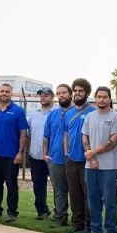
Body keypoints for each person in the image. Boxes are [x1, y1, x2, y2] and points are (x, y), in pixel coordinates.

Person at [81, 86, 117, 233]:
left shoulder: (116, 117)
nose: (101, 100)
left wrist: (93, 153)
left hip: (109, 167)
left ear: (109, 99)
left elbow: (112, 142)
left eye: (105, 97)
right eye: (99, 97)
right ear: (95, 98)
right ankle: (95, 231)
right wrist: (90, 157)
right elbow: (85, 138)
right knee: (93, 200)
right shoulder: (89, 117)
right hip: (90, 166)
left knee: (110, 201)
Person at [0, 83, 31, 222]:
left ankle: (12, 212)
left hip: (11, 155)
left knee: (11, 185)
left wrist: (20, 153)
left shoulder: (17, 111)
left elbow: (23, 134)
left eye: (7, 92)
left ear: (11, 94)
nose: (4, 93)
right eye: (1, 91)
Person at [62, 79, 95, 233]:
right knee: (74, 194)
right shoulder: (68, 113)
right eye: (75, 90)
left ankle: (90, 226)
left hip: (87, 161)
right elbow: (66, 135)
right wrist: (67, 153)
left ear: (86, 93)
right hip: (71, 160)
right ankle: (77, 224)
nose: (77, 93)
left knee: (88, 195)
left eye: (80, 91)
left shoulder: (92, 112)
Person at [45, 83, 73, 225]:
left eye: (64, 92)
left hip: (73, 160)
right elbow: (46, 136)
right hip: (55, 159)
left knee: (76, 192)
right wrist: (45, 154)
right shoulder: (53, 114)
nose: (61, 95)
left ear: (70, 94)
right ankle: (60, 216)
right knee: (59, 190)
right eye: (59, 93)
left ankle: (79, 219)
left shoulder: (77, 112)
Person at [26, 87, 55, 220]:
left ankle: (59, 212)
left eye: (46, 95)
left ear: (52, 97)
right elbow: (28, 136)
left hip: (53, 157)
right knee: (38, 184)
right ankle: (42, 210)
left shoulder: (57, 113)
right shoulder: (33, 114)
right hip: (36, 156)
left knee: (58, 186)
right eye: (41, 95)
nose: (43, 98)